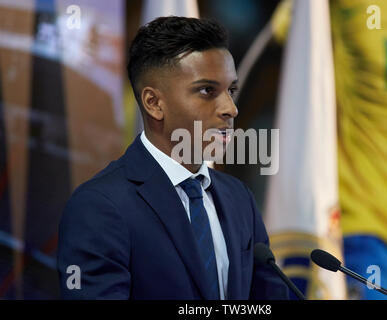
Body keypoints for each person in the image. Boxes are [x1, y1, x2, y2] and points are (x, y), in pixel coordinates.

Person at [57, 16, 289, 300]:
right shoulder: (98, 206)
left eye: (231, 91)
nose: (231, 108)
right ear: (154, 103)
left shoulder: (238, 198)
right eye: (208, 91)